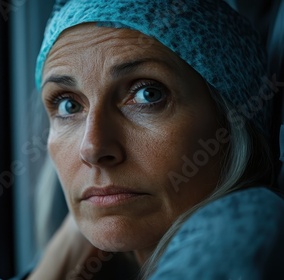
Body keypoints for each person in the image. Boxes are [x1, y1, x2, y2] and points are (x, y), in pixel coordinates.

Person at [23, 0, 284, 279]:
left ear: (231, 123)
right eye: (68, 106)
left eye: (148, 94)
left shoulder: (240, 222)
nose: (92, 148)